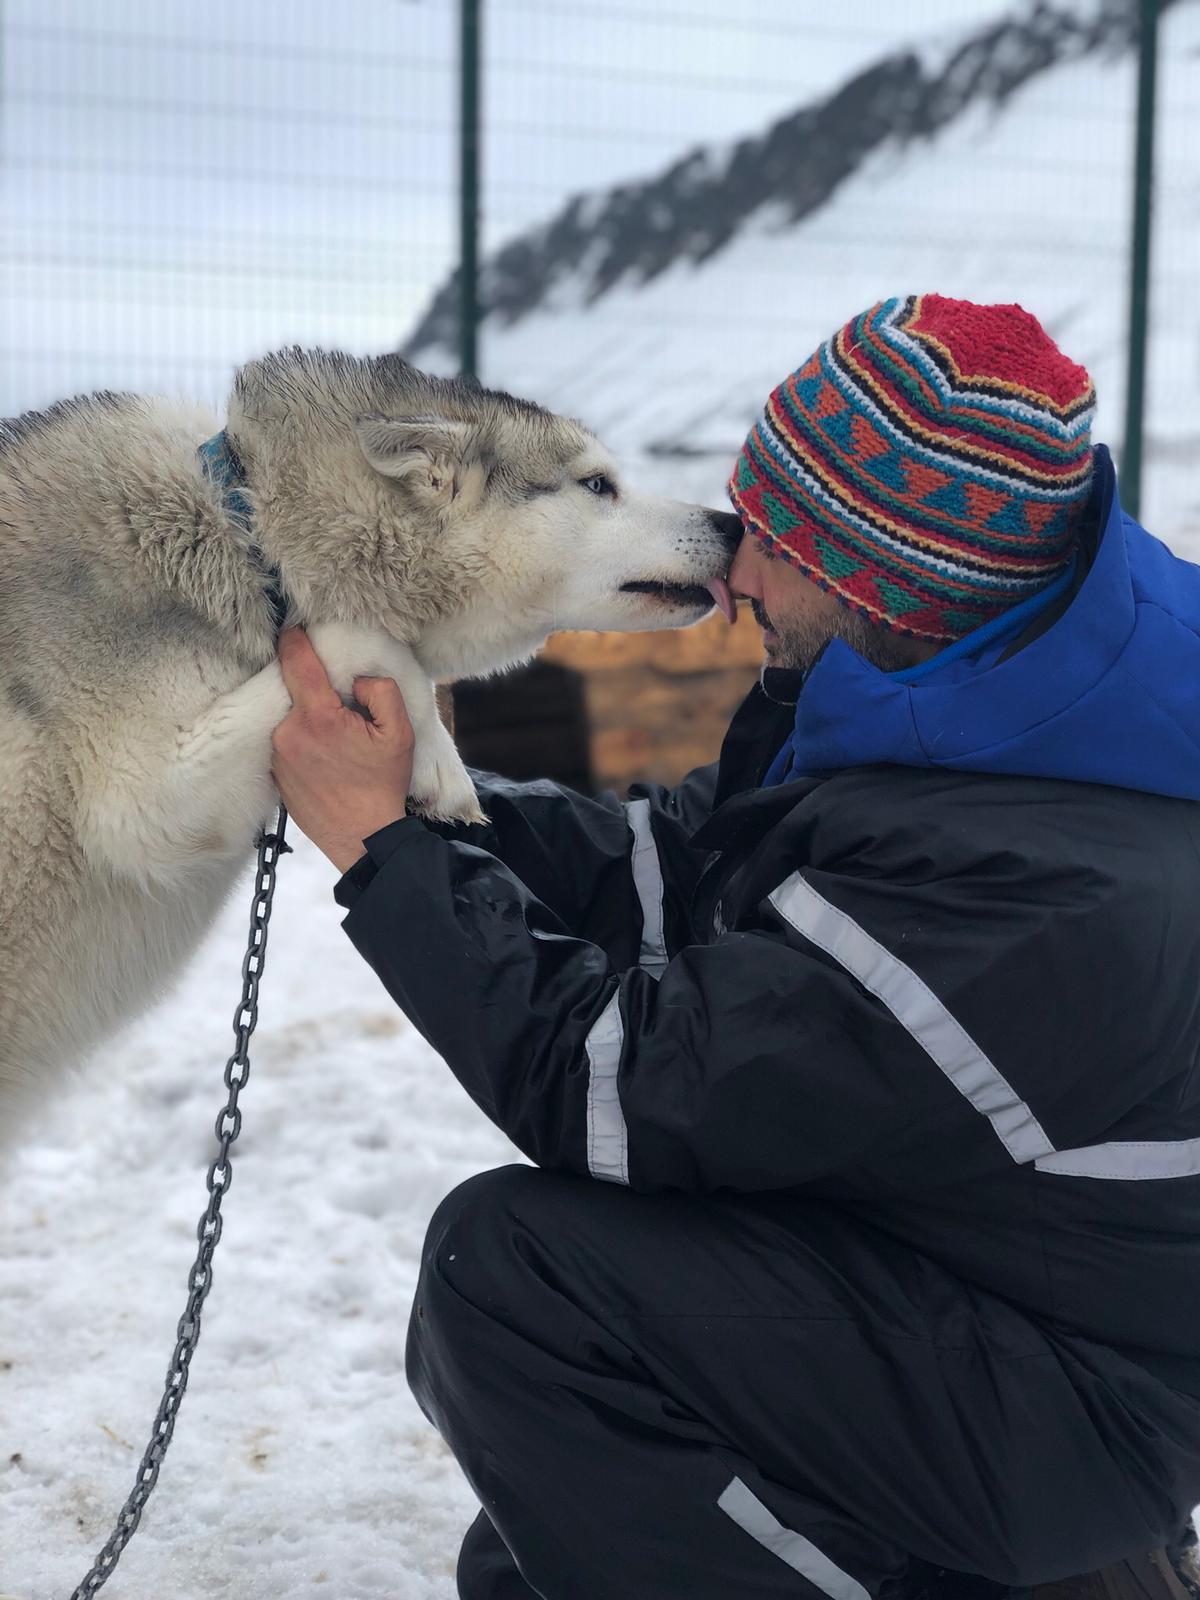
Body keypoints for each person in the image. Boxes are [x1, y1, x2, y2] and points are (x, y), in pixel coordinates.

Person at [270, 296, 1200, 1600]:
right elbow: (678, 882)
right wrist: (433, 798)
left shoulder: (1057, 879)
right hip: (955, 1292)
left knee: (528, 1285)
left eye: (778, 542)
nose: (731, 572)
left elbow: (624, 1090)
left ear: (889, 572)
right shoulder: (942, 705)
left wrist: (386, 855)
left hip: (1058, 1422)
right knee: (548, 1529)